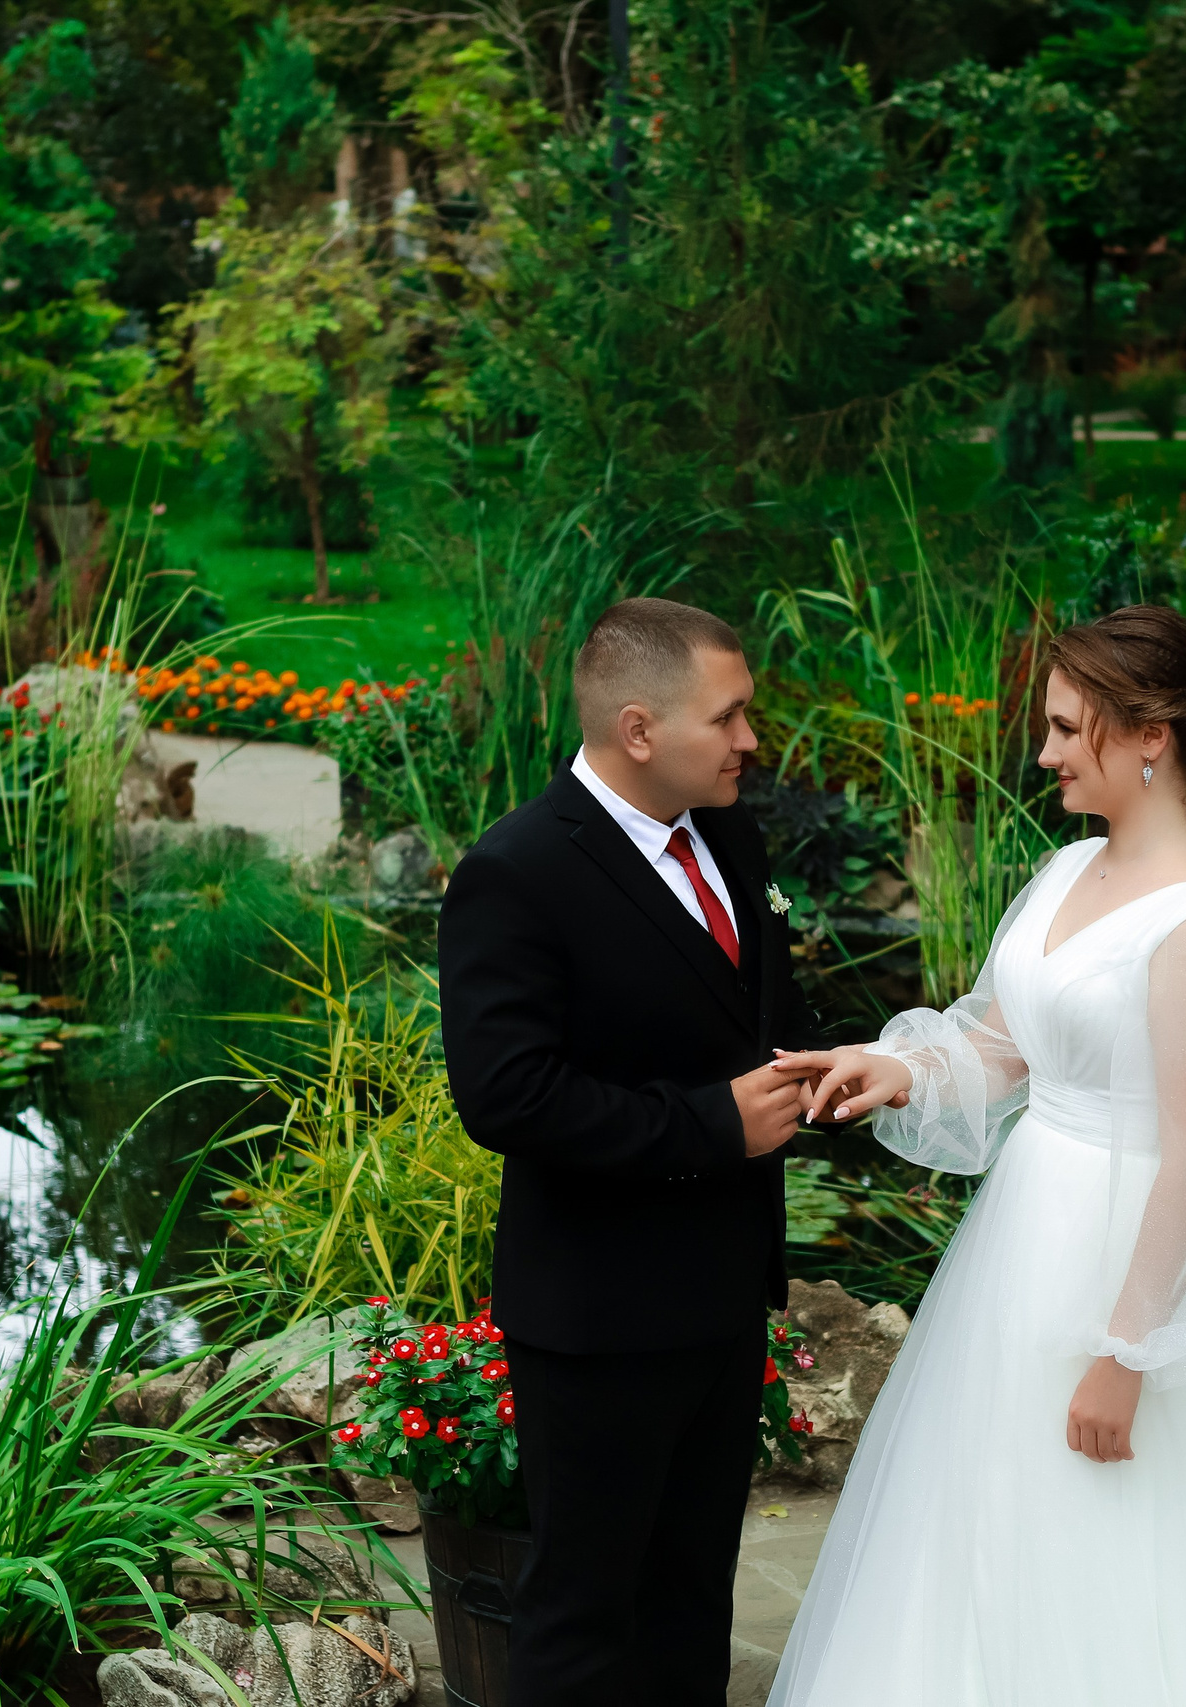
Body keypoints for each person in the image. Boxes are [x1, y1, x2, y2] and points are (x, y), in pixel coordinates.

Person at [766, 605, 1186, 1706]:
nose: (1041, 755)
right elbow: (1007, 1044)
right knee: (990, 1525)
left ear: (1149, 738)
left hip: (1135, 1267)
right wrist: (899, 1067)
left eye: (1064, 730)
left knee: (1138, 1545)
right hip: (1025, 1246)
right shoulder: (1061, 871)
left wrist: (1125, 1356)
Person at [440, 597, 823, 1707]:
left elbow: (764, 1029)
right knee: (582, 1611)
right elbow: (507, 1096)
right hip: (598, 1316)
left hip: (721, 1295)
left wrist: (845, 1082)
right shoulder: (517, 869)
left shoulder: (734, 839)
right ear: (640, 729)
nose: (752, 739)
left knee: (693, 1596)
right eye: (732, 716)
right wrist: (713, 1124)